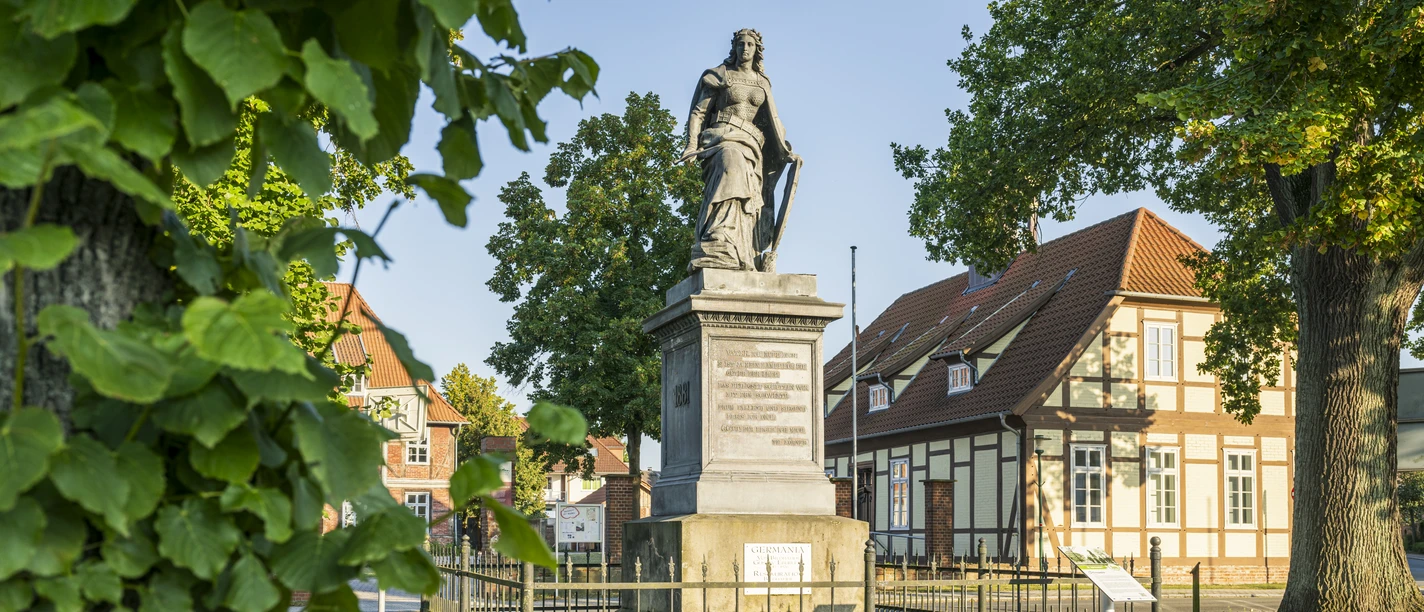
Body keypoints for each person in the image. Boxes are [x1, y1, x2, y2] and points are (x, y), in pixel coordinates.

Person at [681, 29, 800, 272]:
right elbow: (699, 112)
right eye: (740, 44)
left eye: (749, 45)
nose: (745, 49)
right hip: (722, 137)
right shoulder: (721, 75)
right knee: (731, 163)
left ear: (757, 50)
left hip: (753, 144)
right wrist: (691, 144)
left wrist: (785, 152)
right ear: (733, 49)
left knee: (749, 196)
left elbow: (773, 121)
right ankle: (718, 237)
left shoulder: (762, 83)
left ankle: (739, 250)